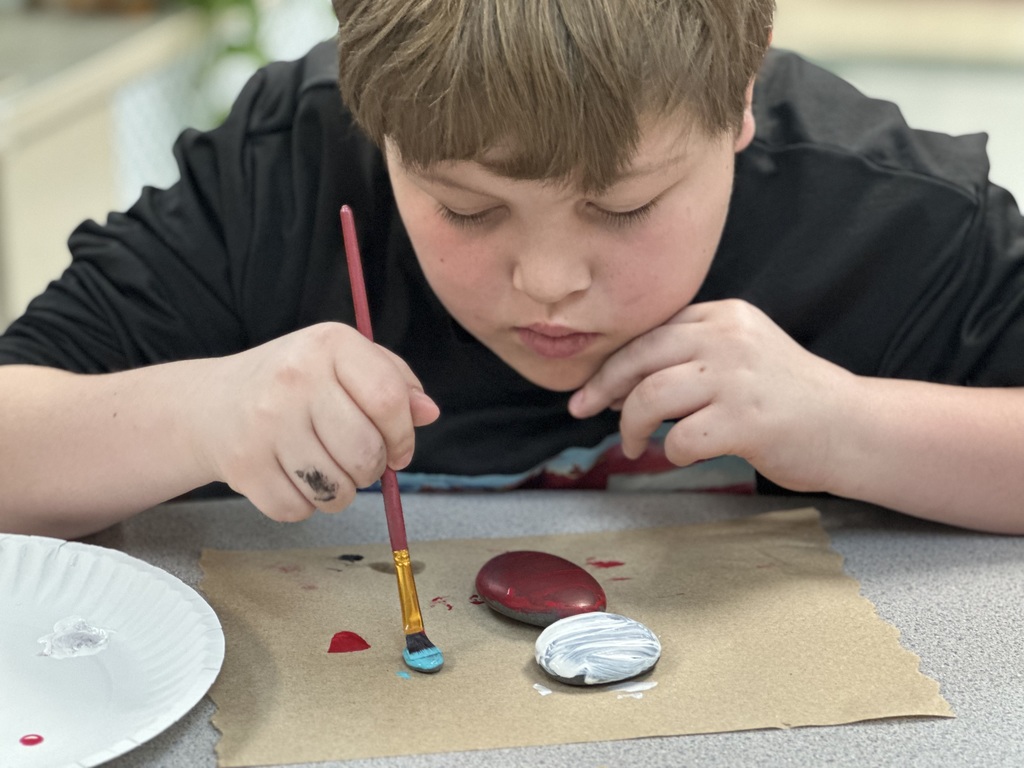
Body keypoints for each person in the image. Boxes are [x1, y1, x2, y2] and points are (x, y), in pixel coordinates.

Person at [2, 0, 1023, 539]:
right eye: (465, 206)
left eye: (623, 207)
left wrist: (854, 426)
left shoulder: (884, 211)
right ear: (377, 129)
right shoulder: (287, 179)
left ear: (739, 99)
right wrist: (202, 413)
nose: (546, 280)